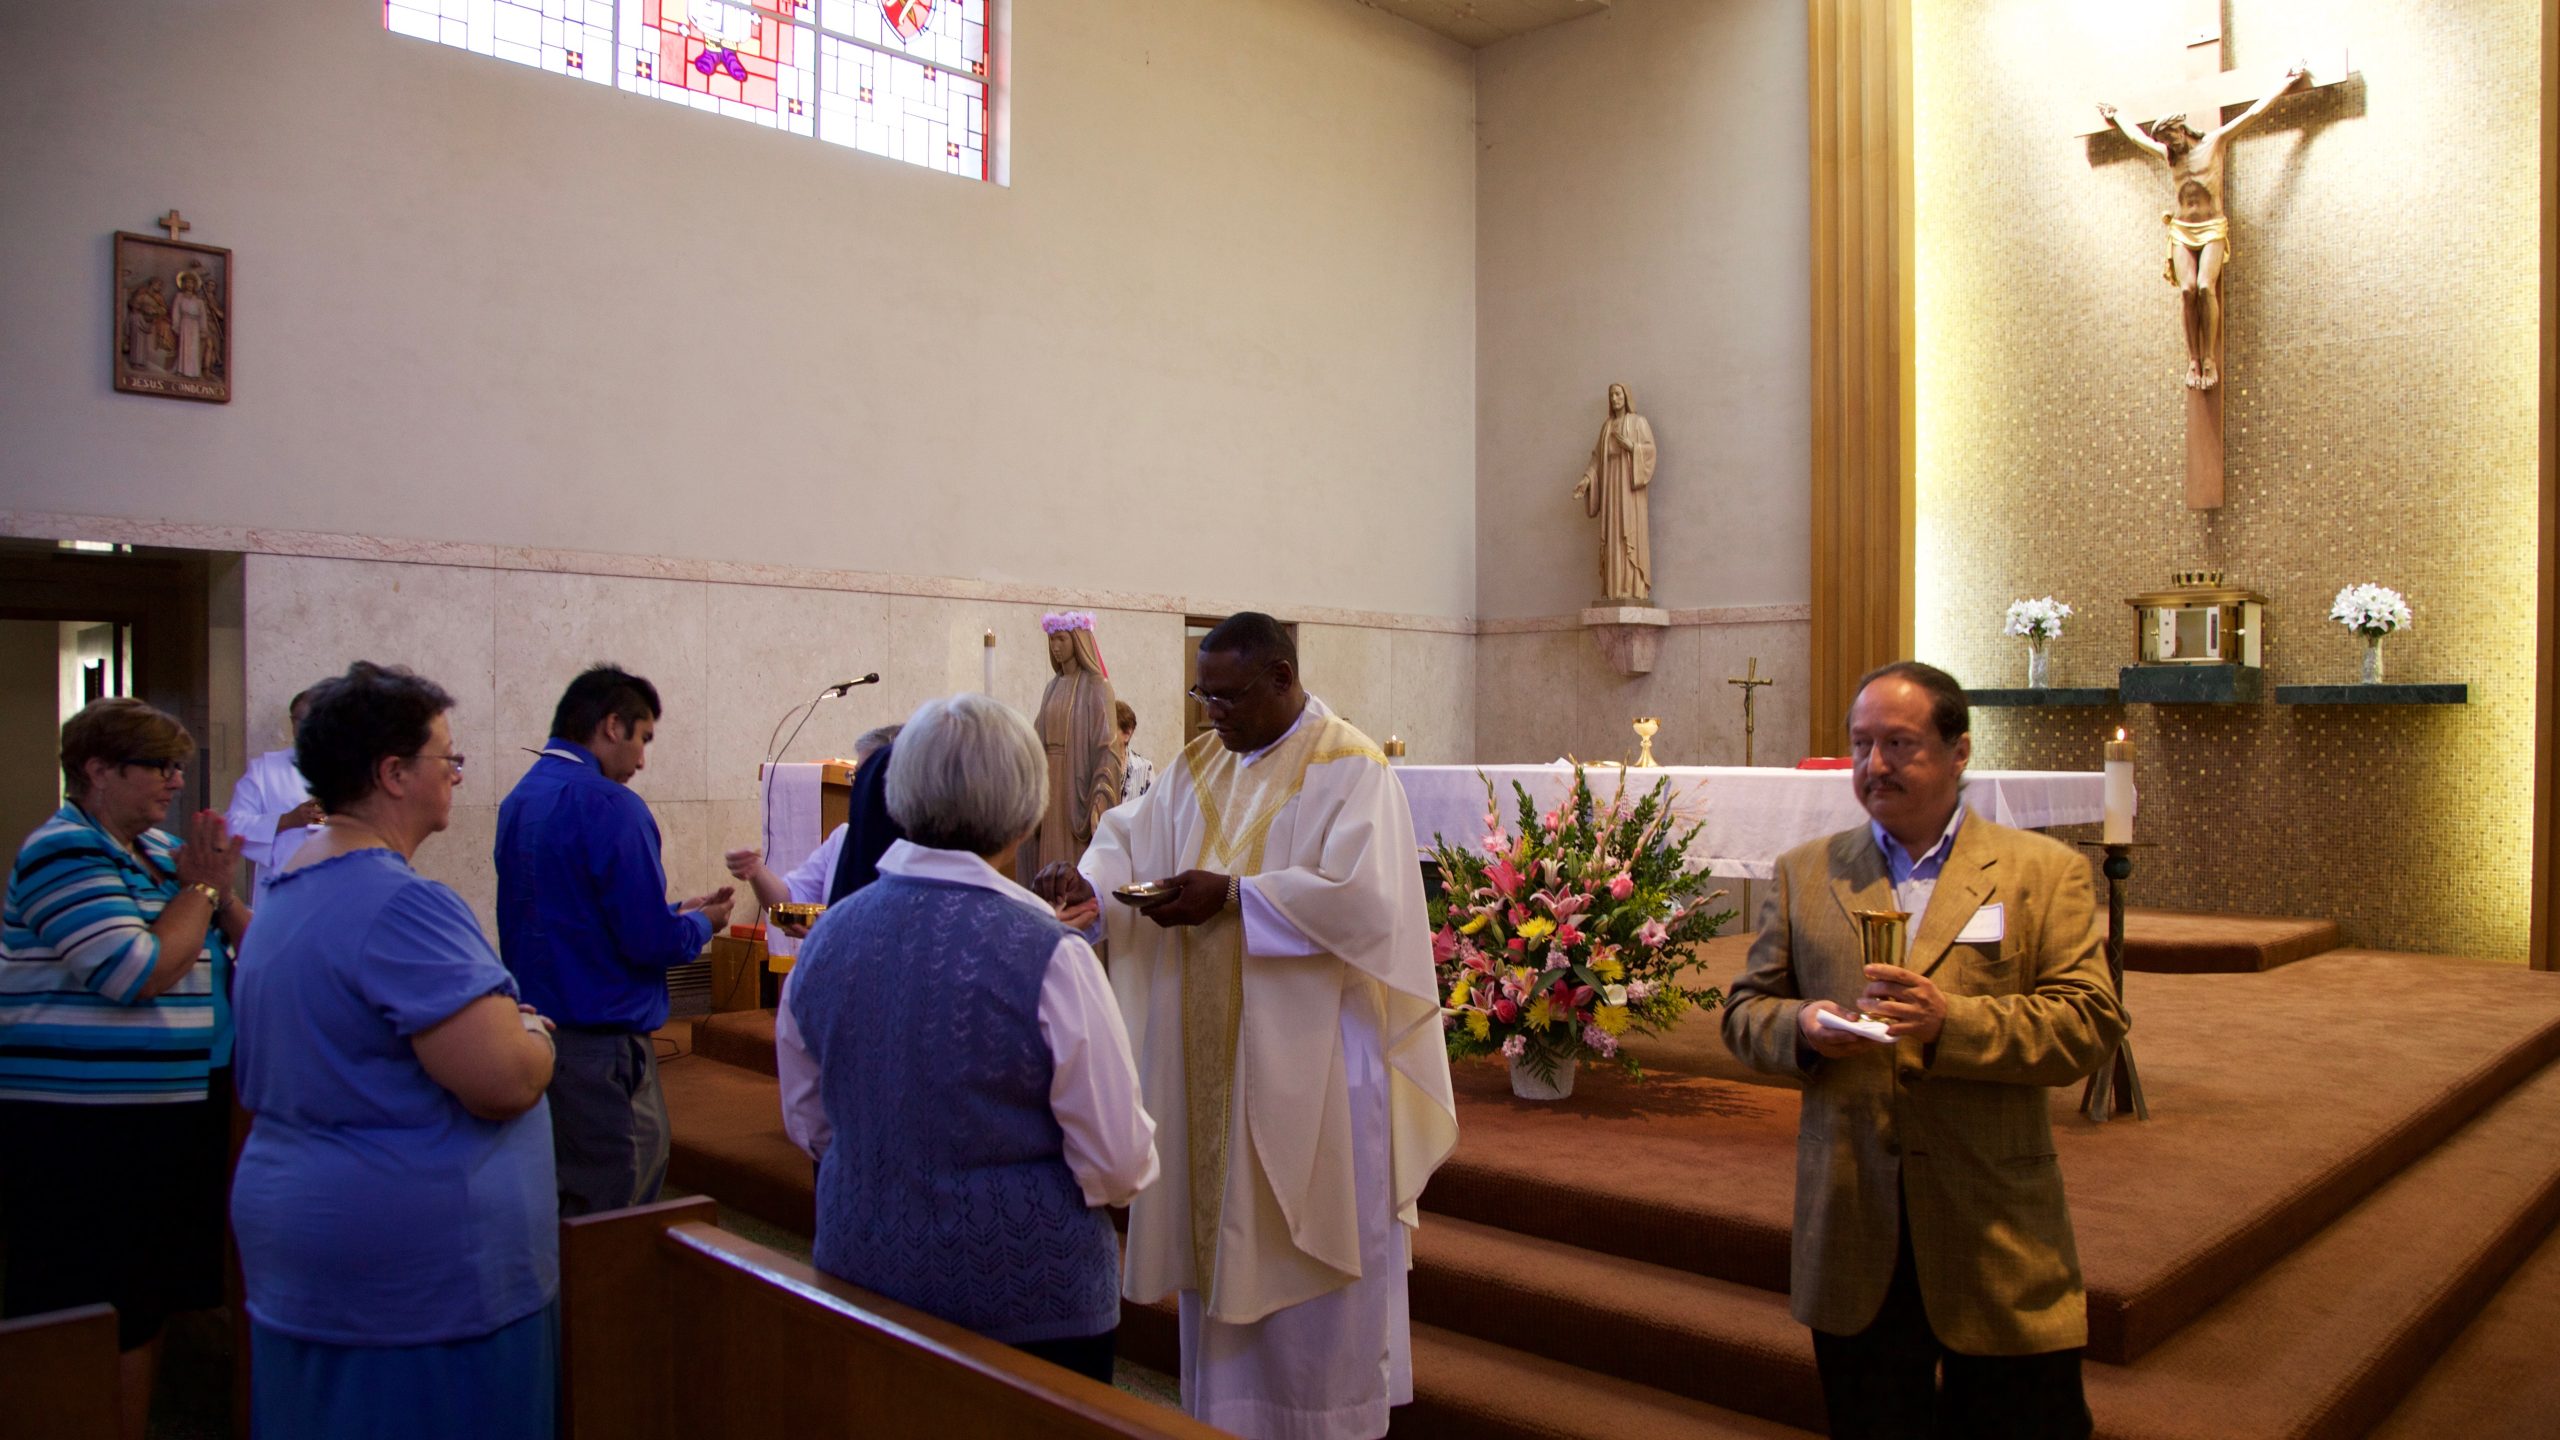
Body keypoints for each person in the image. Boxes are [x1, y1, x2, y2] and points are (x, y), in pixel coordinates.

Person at [1038, 611, 1458, 1440]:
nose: (1210, 714)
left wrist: (1235, 898)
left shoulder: (1351, 768)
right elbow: (1131, 837)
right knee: (1221, 1260)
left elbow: (1370, 906)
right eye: (1202, 695)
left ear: (1280, 678)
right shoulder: (1201, 763)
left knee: (1316, 1277)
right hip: (1213, 1066)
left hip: (1320, 1073)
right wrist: (1088, 881)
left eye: (1227, 697)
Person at [1720, 661, 2128, 1440]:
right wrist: (1803, 1030)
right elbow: (1745, 1013)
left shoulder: (2041, 874)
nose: (1875, 765)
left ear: (1958, 750)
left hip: (1993, 1225)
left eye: (1900, 744)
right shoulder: (1807, 873)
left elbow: (2089, 1022)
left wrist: (1953, 1024)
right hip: (1852, 1223)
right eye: (1861, 744)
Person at [777, 693, 1157, 1383]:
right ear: (1027, 808)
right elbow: (1117, 1162)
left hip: (864, 1272)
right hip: (1027, 1305)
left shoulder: (826, 938)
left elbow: (811, 1124)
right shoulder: (1051, 955)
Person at [231, 663, 560, 1439]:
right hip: (416, 1283)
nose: (454, 774)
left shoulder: (288, 887)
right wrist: (536, 1034)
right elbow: (503, 1080)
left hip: (311, 1232)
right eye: (446, 757)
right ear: (392, 772)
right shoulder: (400, 903)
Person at [0, 698, 249, 1440]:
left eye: (179, 767)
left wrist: (218, 894)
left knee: (148, 1295)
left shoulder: (155, 855)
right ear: (98, 770)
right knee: (90, 1303)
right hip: (82, 1126)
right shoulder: (65, 849)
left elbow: (260, 952)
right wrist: (199, 892)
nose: (176, 783)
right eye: (159, 768)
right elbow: (132, 968)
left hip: (165, 1109)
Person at [496, 665, 733, 1216]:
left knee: (563, 1196)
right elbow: (649, 942)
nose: (643, 761)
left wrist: (674, 909)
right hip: (603, 1045)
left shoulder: (521, 798)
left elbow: (571, 913)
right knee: (615, 1205)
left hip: (541, 1030)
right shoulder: (610, 804)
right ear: (612, 726)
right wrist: (703, 923)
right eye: (643, 739)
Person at [2097, 65, 2308, 391]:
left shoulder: (2214, 142)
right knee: (2187, 290)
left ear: (2182, 130)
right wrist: (2117, 116)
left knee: (2206, 288)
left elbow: (2252, 113)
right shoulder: (2169, 156)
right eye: (2165, 142)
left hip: (2210, 228)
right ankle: (2193, 358)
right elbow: (2138, 139)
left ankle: (2209, 357)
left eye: (2171, 139)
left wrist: (2284, 84)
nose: (2170, 146)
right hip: (2182, 230)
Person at [724, 723, 901, 939]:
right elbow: (790, 901)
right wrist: (756, 871)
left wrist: (828, 936)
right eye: (854, 776)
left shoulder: (920, 848)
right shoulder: (843, 839)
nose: (858, 787)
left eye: (866, 776)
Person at [1017, 612, 1121, 880]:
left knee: (1072, 859)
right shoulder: (1052, 687)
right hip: (1049, 781)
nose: (1055, 646)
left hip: (1076, 786)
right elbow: (1036, 738)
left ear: (1078, 640)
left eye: (1061, 639)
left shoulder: (1097, 686)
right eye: (1052, 640)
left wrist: (1100, 796)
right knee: (1047, 856)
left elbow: (1107, 747)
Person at [224, 686, 325, 903]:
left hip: (338, 888)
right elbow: (232, 826)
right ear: (292, 723)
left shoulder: (354, 771)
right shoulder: (265, 770)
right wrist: (286, 820)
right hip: (283, 893)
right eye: (303, 719)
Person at [1570, 382, 1656, 603]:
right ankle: (1614, 588)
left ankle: (1633, 587)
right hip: (1610, 488)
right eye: (1611, 395)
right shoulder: (1607, 427)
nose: (1615, 398)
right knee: (1613, 533)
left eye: (1618, 394)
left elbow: (1650, 451)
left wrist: (1632, 447)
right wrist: (1587, 479)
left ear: (1626, 396)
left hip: (1629, 488)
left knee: (1629, 531)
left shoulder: (1639, 422)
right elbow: (1597, 459)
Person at [1116, 699, 1154, 800]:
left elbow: (1152, 810)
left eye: (1110, 729)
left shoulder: (1145, 769)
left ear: (1127, 734)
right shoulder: (1094, 767)